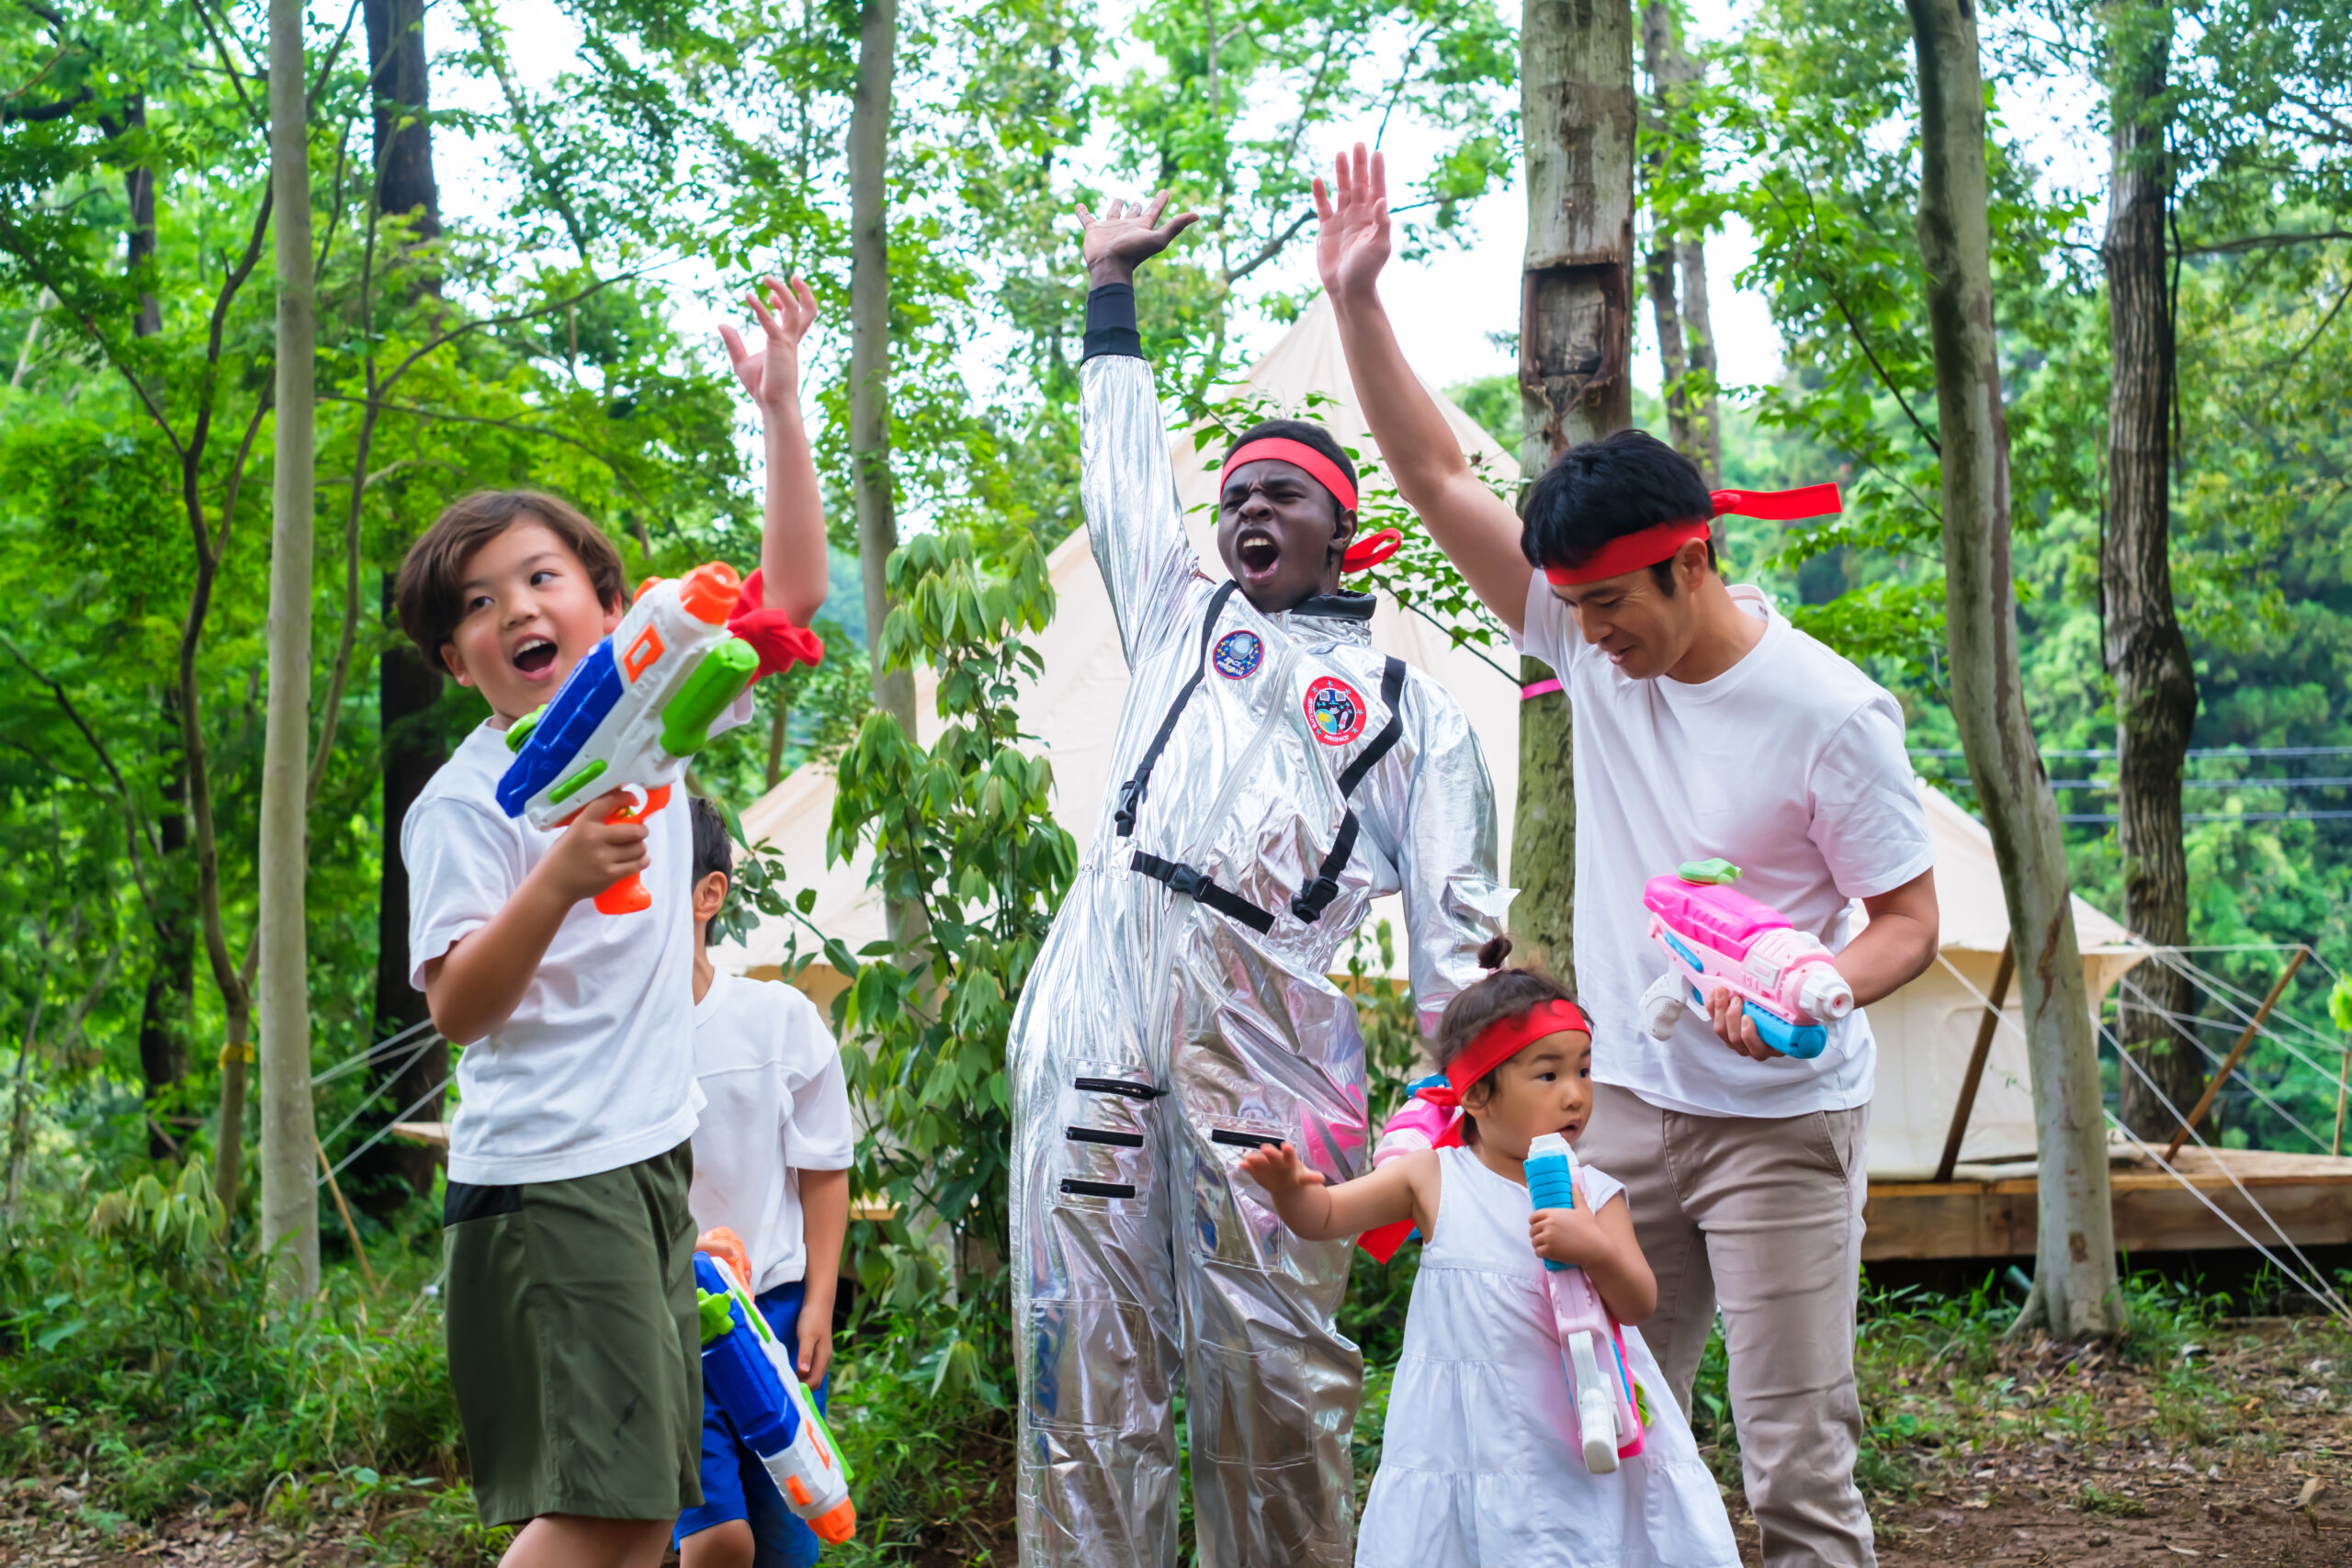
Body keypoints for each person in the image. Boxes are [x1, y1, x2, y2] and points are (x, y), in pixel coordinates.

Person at [1314, 144, 1940, 1567]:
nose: (1587, 635)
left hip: (1782, 1123)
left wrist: (1811, 995)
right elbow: (1427, 469)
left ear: (1695, 561)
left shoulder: (1831, 714)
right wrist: (1358, 297)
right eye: (1572, 606)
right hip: (1620, 1112)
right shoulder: (1592, 644)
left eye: (1611, 604)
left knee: (1794, 1459)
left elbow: (1906, 918)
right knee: (1593, 1423)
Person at [1007, 192, 1510, 1568]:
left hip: (1272, 1042)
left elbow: (1461, 938)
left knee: (1274, 1378)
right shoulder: (1181, 618)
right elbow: (1120, 476)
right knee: (1079, 1366)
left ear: (1340, 526)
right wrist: (1107, 284)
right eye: (1230, 495)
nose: (1244, 511)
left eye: (1276, 494)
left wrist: (1469, 1108)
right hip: (1097, 1014)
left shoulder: (1410, 706)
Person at [397, 277, 828, 1568]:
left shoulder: (654, 712)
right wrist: (558, 875)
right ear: (456, 657)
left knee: (641, 1521)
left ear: (604, 594)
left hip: (646, 1164)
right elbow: (458, 1008)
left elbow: (793, 596)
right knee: (623, 1508)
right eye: (477, 602)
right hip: (546, 1176)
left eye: (541, 576)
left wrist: (783, 407)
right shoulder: (469, 802)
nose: (517, 608)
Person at [1239, 939, 1739, 1568]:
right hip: (1466, 1432)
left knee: (1579, 1537)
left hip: (1574, 1419)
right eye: (1548, 1073)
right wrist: (1290, 1192)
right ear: (1476, 1095)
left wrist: (1594, 1247)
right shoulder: (1431, 1176)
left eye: (1584, 1069)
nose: (1576, 1094)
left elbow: (1639, 1299)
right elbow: (1329, 1216)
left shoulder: (1596, 1191)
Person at [674, 797, 853, 1568]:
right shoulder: (607, 1043)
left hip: (773, 1313)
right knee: (716, 1538)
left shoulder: (776, 1019)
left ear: (707, 894)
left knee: (788, 1532)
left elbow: (823, 1169)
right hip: (670, 1316)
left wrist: (818, 1301)